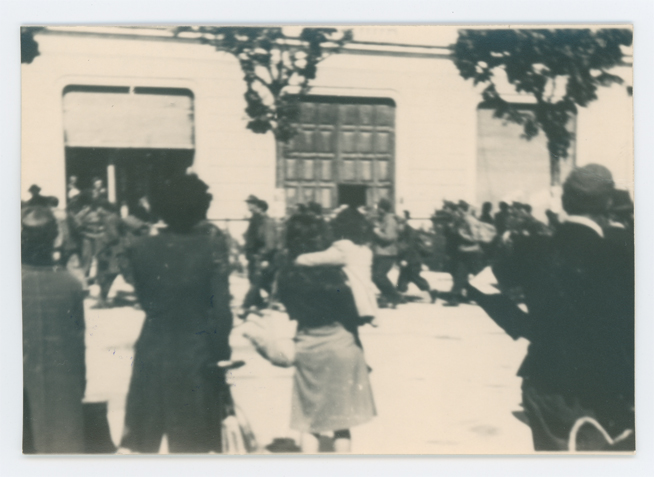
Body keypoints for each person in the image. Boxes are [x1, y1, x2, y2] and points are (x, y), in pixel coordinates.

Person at [469, 164, 634, 451]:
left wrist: (523, 326)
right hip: (605, 390)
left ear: (565, 201)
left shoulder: (534, 247)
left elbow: (479, 284)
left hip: (543, 382)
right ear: (608, 203)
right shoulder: (620, 255)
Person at [118, 174, 233, 453]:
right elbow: (221, 313)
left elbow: (145, 298)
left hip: (151, 352)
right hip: (196, 355)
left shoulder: (141, 248)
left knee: (143, 444)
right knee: (192, 447)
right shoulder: (211, 248)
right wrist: (221, 354)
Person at [276, 211, 376, 453]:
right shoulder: (338, 273)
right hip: (343, 345)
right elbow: (352, 314)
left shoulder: (287, 274)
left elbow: (290, 310)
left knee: (309, 423)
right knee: (342, 426)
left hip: (308, 346)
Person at [21, 206, 86, 453]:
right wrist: (80, 382)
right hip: (64, 387)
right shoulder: (70, 284)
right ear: (55, 239)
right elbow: (78, 341)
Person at [295, 205, 379, 327]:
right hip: (364, 304)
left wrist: (297, 258)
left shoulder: (345, 248)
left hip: (349, 301)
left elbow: (314, 260)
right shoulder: (365, 250)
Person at [242, 195, 278, 312]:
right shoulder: (255, 220)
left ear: (261, 208)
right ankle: (260, 301)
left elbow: (270, 243)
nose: (250, 206)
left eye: (253, 204)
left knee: (257, 280)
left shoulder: (266, 221)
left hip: (261, 257)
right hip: (253, 256)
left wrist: (263, 256)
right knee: (255, 279)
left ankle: (246, 305)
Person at [396, 212, 439, 303]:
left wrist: (405, 260)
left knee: (415, 278)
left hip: (413, 260)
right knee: (404, 279)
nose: (398, 225)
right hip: (409, 261)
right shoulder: (405, 231)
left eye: (399, 222)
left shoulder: (411, 232)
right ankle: (399, 295)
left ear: (404, 222)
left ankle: (432, 292)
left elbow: (410, 248)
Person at [371, 198, 402, 308]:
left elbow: (389, 238)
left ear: (383, 209)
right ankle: (387, 296)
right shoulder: (383, 219)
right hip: (381, 253)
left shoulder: (390, 221)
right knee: (374, 276)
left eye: (378, 207)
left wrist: (377, 232)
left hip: (388, 254)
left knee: (379, 276)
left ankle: (395, 296)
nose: (377, 209)